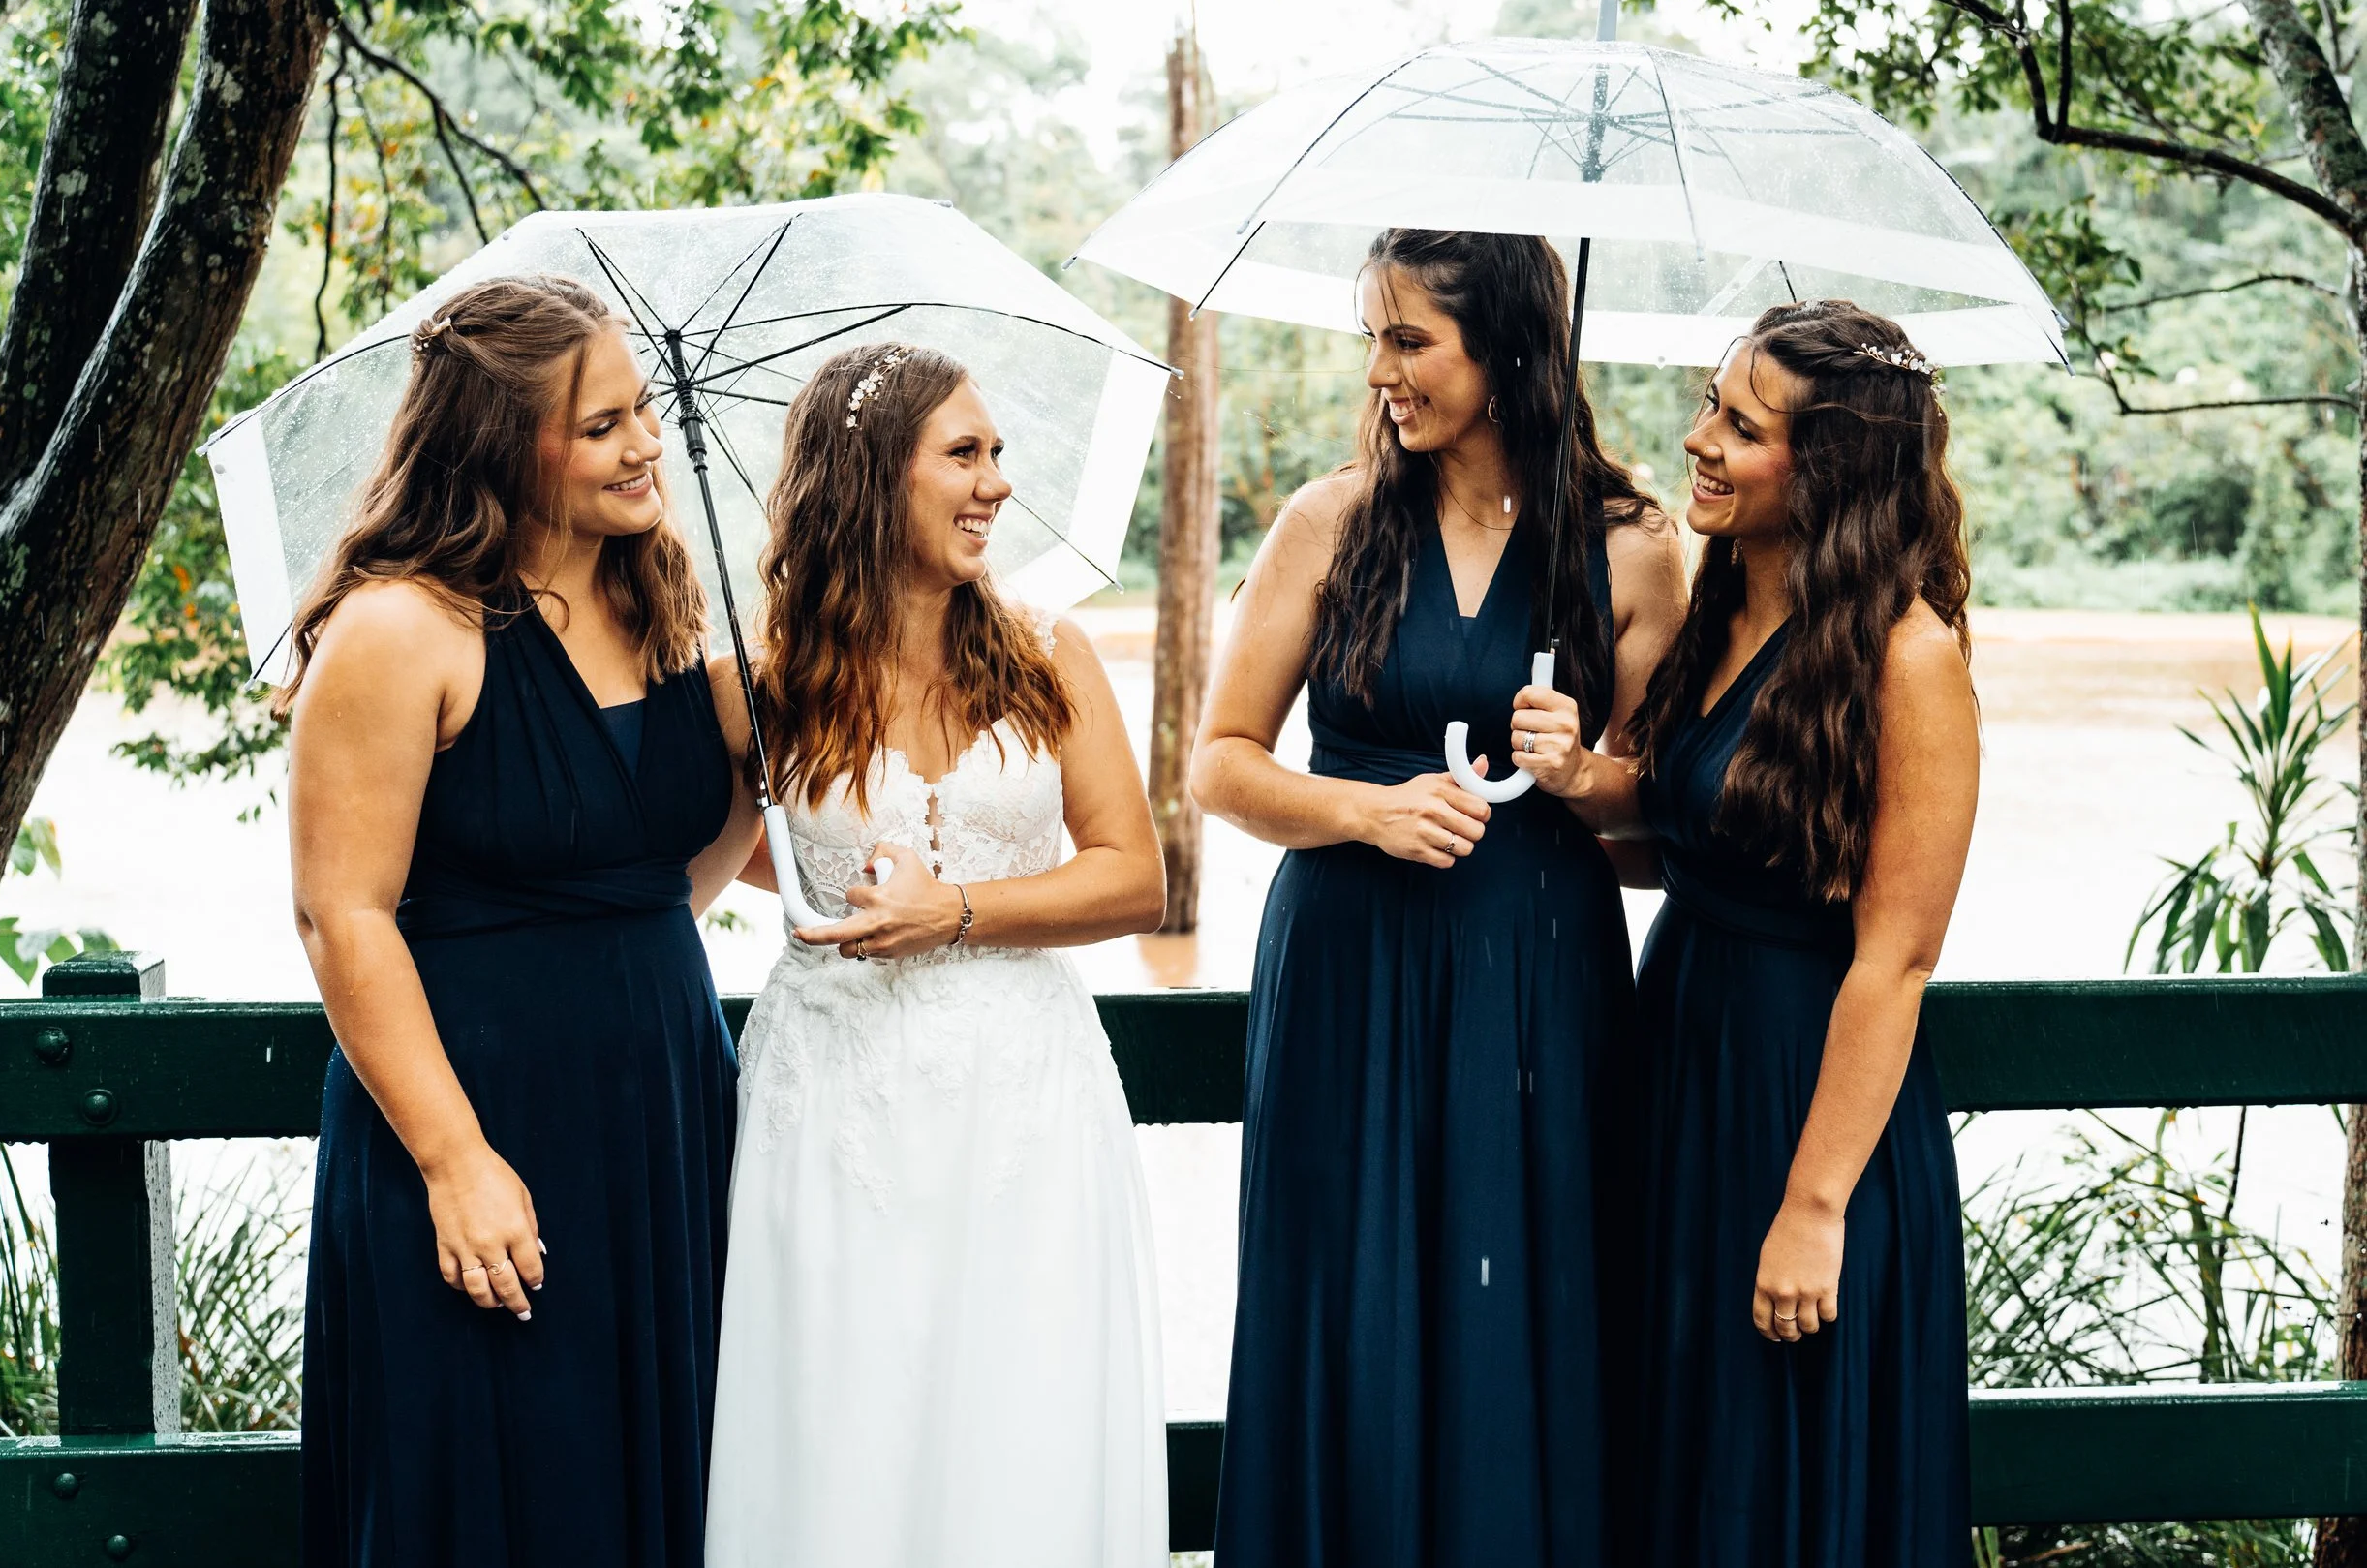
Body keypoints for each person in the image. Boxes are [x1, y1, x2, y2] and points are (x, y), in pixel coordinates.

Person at [1190, 229, 1686, 1566]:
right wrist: (1366, 808)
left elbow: (1655, 837)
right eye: (1374, 336)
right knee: (1346, 1296)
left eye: (1410, 339)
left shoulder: (1635, 548)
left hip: (1539, 978)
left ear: (1510, 348)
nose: (1381, 369)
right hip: (1348, 967)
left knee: (1521, 1298)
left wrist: (1584, 773)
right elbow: (1219, 765)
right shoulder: (1330, 519)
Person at [288, 273, 766, 1567]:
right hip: (476, 1120)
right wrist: (456, 1161)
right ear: (508, 444)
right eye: (605, 422)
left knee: (660, 1479)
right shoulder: (401, 628)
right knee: (493, 1489)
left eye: (645, 410)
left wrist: (756, 778)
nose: (646, 442)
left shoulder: (665, 612)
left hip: (663, 1123)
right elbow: (342, 912)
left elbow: (663, 878)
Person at [703, 341, 1170, 1568]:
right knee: (836, 1415)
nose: (996, 484)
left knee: (1019, 1412)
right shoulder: (761, 687)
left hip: (1021, 1095)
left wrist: (951, 907)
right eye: (963, 453)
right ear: (868, 477)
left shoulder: (1047, 655)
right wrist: (835, 897)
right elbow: (694, 870)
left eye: (998, 453)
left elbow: (1133, 872)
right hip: (829, 1092)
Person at [1541, 299, 1979, 1563]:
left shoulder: (1908, 652)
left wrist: (1815, 1204)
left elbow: (1896, 955)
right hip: (1682, 1065)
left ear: (1833, 463)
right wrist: (1578, 776)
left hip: (1806, 1094)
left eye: (1741, 423)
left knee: (1785, 1460)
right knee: (1680, 1441)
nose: (1700, 439)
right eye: (1711, 405)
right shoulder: (1720, 600)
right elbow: (1689, 815)